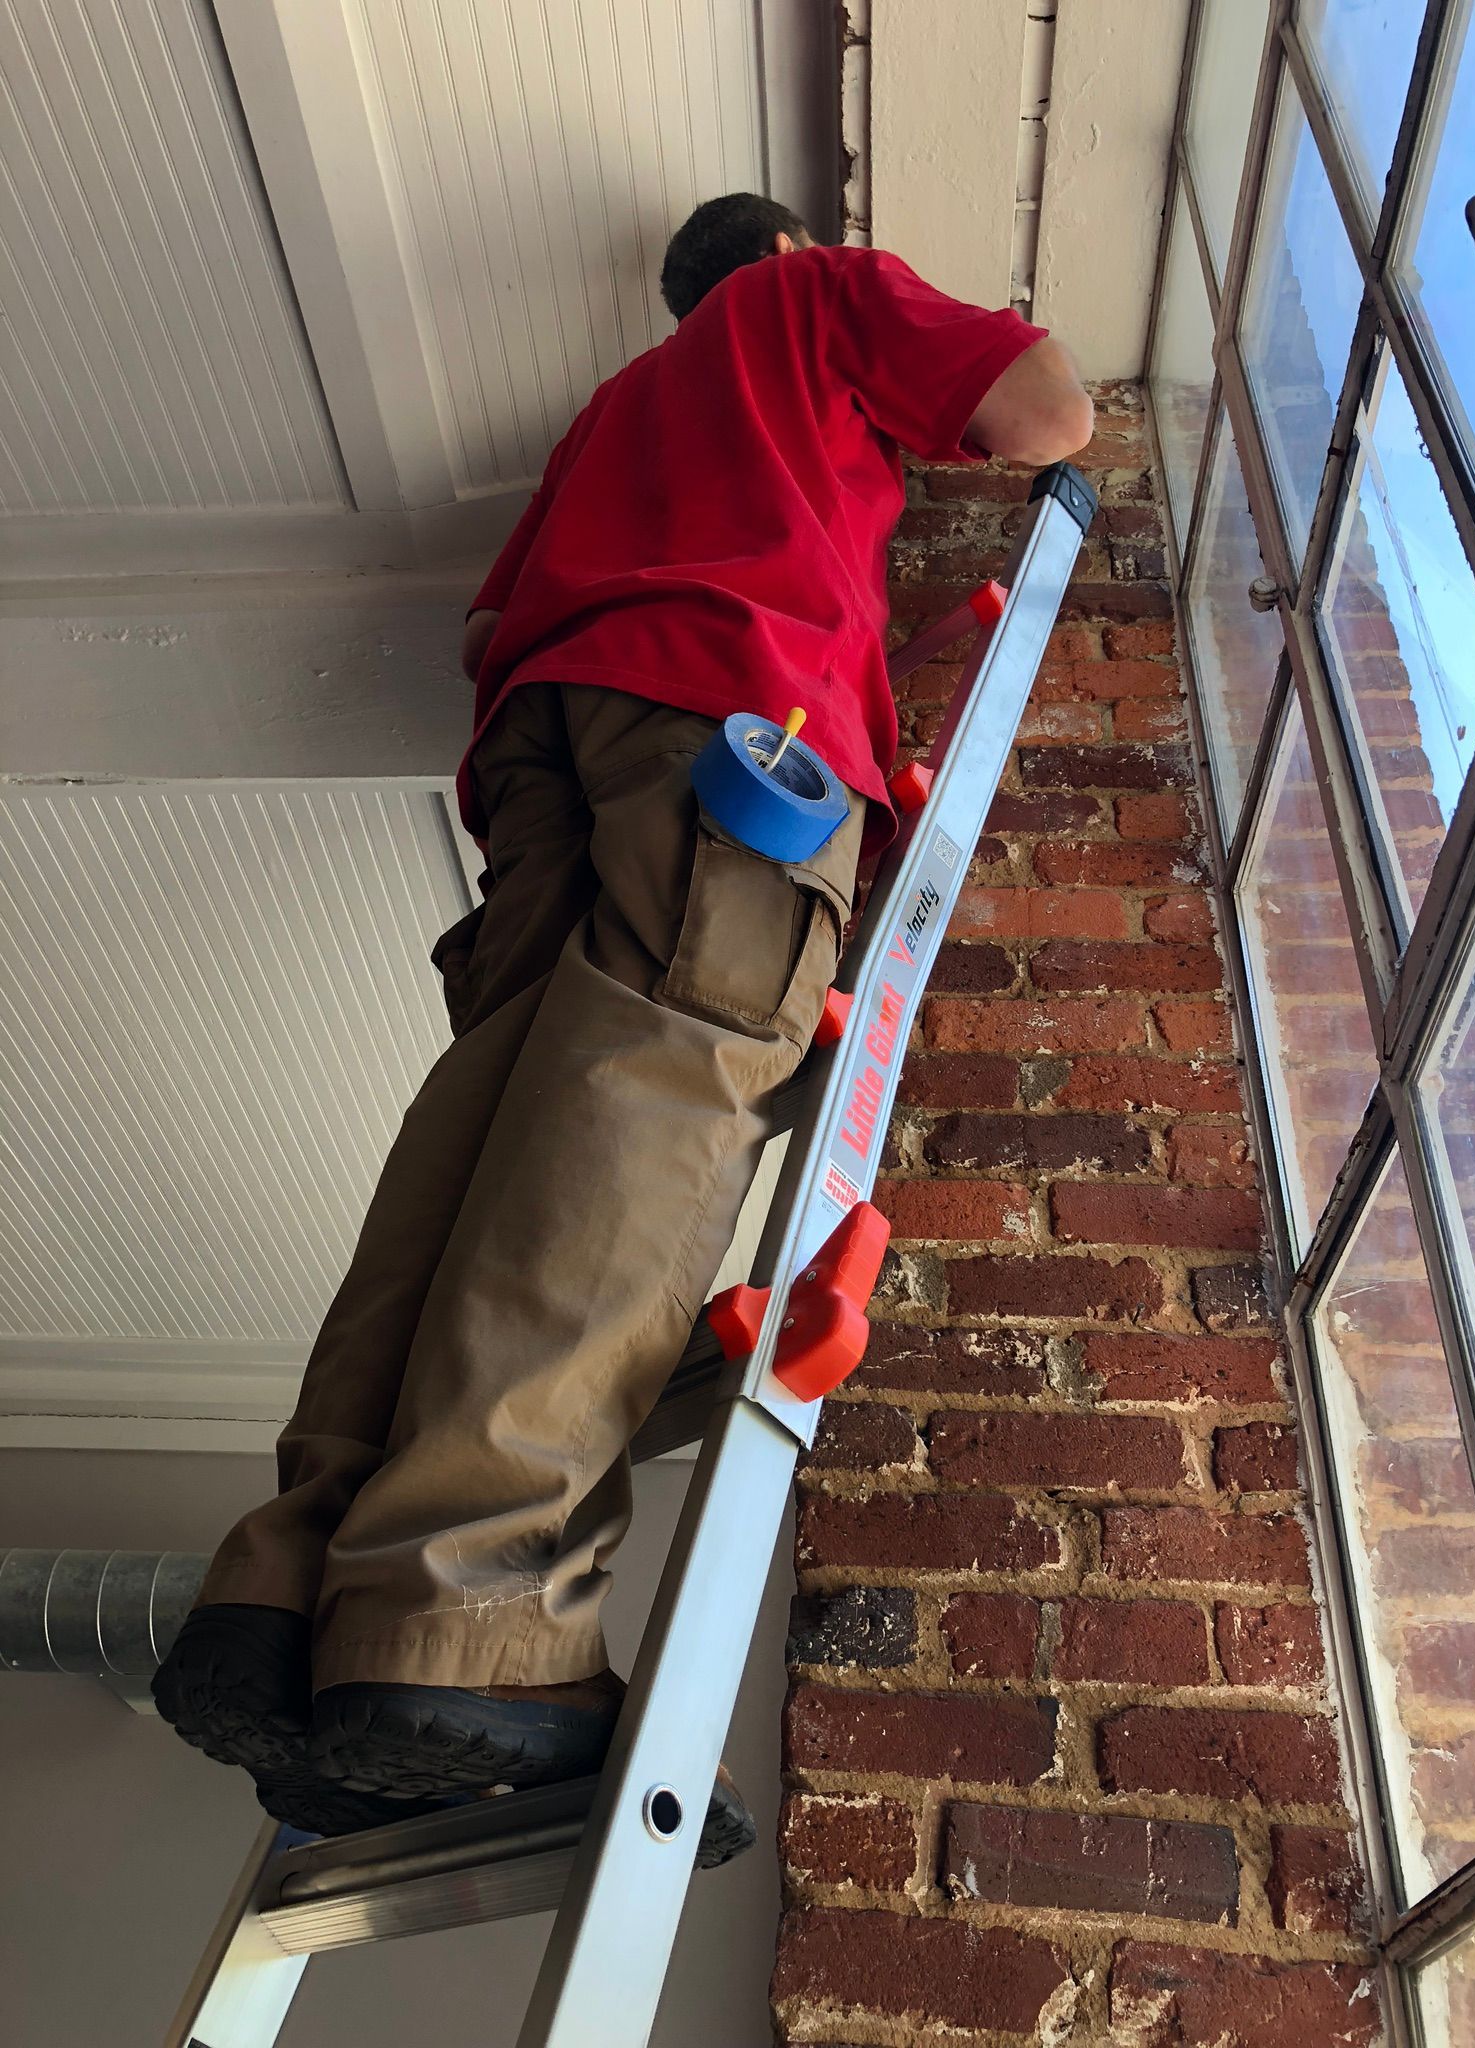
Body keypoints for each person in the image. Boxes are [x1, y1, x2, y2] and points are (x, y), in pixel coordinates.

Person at [153, 193, 1092, 1842]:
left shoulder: (612, 413)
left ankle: (294, 1581)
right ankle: (472, 1608)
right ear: (788, 248)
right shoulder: (822, 299)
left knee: (486, 1125)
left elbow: (476, 628)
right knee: (657, 1085)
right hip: (737, 710)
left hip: (541, 743)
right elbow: (1049, 418)